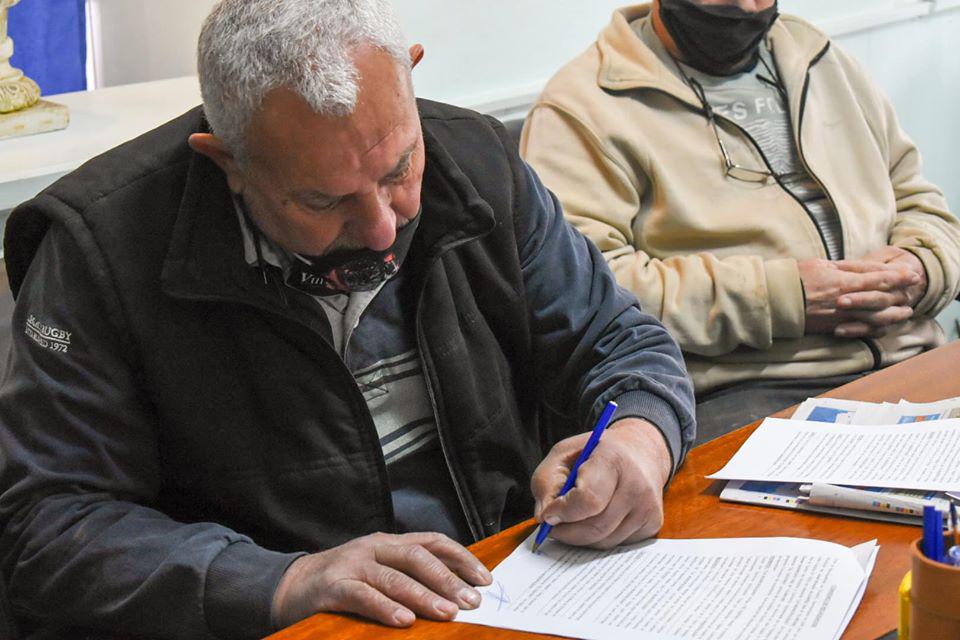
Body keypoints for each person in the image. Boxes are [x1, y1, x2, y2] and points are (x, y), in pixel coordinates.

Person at [0, 0, 695, 638]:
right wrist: (287, 580)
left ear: (410, 78)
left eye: (399, 169)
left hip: (505, 593)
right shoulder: (102, 249)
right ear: (227, 162)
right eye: (322, 201)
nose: (383, 229)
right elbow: (51, 524)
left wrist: (639, 436)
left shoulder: (478, 164)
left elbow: (618, 340)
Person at [521, 0, 960, 442]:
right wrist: (785, 299)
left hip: (912, 359)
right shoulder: (582, 106)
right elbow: (587, 294)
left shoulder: (815, 57)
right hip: (746, 390)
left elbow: (918, 198)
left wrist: (922, 267)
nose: (750, 8)